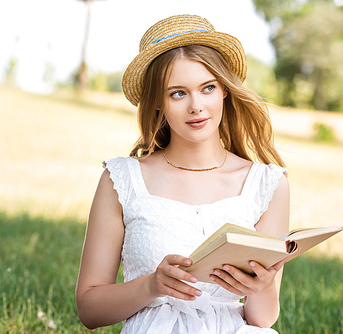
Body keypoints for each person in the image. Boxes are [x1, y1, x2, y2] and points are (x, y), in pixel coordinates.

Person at [75, 14, 289, 334]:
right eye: (178, 93)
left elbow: (262, 319)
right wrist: (152, 285)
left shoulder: (267, 184)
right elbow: (89, 309)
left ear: (225, 91)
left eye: (207, 88)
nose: (196, 106)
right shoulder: (122, 180)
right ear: (158, 102)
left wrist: (263, 285)